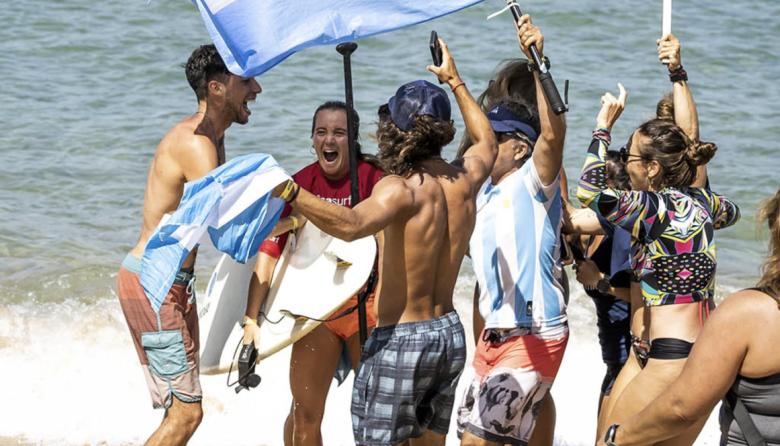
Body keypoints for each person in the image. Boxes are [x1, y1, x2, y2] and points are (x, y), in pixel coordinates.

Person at [272, 36, 497, 445]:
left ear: (399, 131)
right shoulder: (465, 177)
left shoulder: (402, 189)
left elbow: (351, 224)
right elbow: (487, 141)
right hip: (448, 333)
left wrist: (291, 193)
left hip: (402, 338)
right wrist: (456, 81)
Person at [577, 68, 740, 446]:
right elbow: (732, 212)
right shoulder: (704, 202)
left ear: (651, 168)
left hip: (672, 357)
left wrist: (602, 127)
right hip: (703, 355)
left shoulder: (651, 208)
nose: (624, 161)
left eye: (627, 155)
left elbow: (589, 191)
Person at [116, 44, 261, 446]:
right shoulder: (197, 144)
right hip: (155, 283)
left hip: (172, 283)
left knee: (178, 410)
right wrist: (297, 210)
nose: (258, 89)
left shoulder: (212, 138)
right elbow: (225, 224)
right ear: (217, 88)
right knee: (187, 414)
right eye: (246, 81)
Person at [452, 15, 568, 446]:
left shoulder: (534, 182)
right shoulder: (482, 191)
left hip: (533, 330)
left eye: (495, 139)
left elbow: (553, 134)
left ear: (520, 147)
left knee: (476, 443)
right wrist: (455, 83)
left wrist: (536, 62)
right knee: (474, 434)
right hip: (494, 336)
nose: (484, 145)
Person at [241, 101, 384, 446]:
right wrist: (251, 320)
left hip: (367, 307)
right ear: (312, 139)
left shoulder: (373, 179)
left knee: (376, 415)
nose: (329, 140)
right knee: (304, 413)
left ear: (352, 139)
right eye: (321, 132)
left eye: (338, 132)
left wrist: (384, 303)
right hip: (317, 312)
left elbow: (390, 247)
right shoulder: (301, 183)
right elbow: (270, 250)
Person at [600, 188, 780, 445]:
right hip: (672, 348)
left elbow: (682, 408)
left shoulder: (748, 313)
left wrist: (615, 438)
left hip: (666, 353)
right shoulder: (698, 205)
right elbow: (731, 212)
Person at [571, 150, 633, 428]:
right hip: (611, 343)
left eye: (595, 184)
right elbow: (566, 218)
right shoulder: (592, 228)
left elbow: (647, 294)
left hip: (631, 342)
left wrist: (600, 281)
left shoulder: (627, 228)